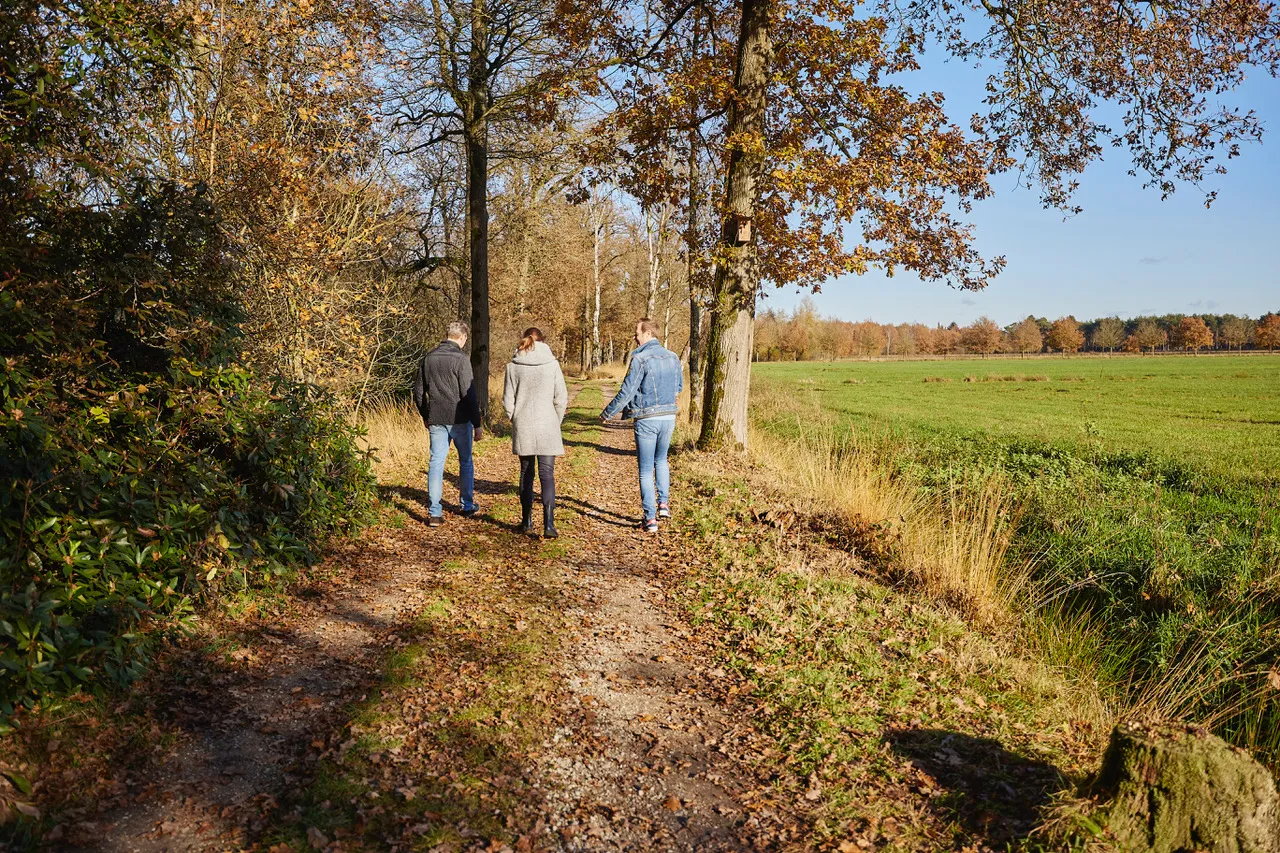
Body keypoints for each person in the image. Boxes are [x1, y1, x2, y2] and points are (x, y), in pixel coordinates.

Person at [600, 318, 682, 533]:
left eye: (637, 333)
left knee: (646, 470)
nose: (635, 337)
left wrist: (608, 413)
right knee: (661, 460)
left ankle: (650, 519)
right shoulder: (673, 357)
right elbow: (679, 387)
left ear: (647, 333)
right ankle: (663, 505)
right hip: (668, 417)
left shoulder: (640, 358)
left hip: (647, 419)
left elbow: (627, 391)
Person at [413, 321, 482, 526]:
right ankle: (467, 505)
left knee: (436, 463)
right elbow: (468, 394)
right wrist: (477, 423)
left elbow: (417, 391)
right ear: (462, 338)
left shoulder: (429, 358)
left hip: (436, 418)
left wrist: (426, 414)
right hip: (459, 419)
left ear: (447, 335)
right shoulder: (461, 359)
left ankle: (435, 512)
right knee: (466, 461)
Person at [503, 327, 568, 538]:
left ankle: (527, 521)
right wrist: (554, 420)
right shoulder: (553, 365)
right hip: (548, 423)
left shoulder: (513, 366)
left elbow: (507, 402)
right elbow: (561, 398)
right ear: (543, 341)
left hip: (524, 425)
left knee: (526, 473)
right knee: (547, 475)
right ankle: (549, 524)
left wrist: (516, 419)